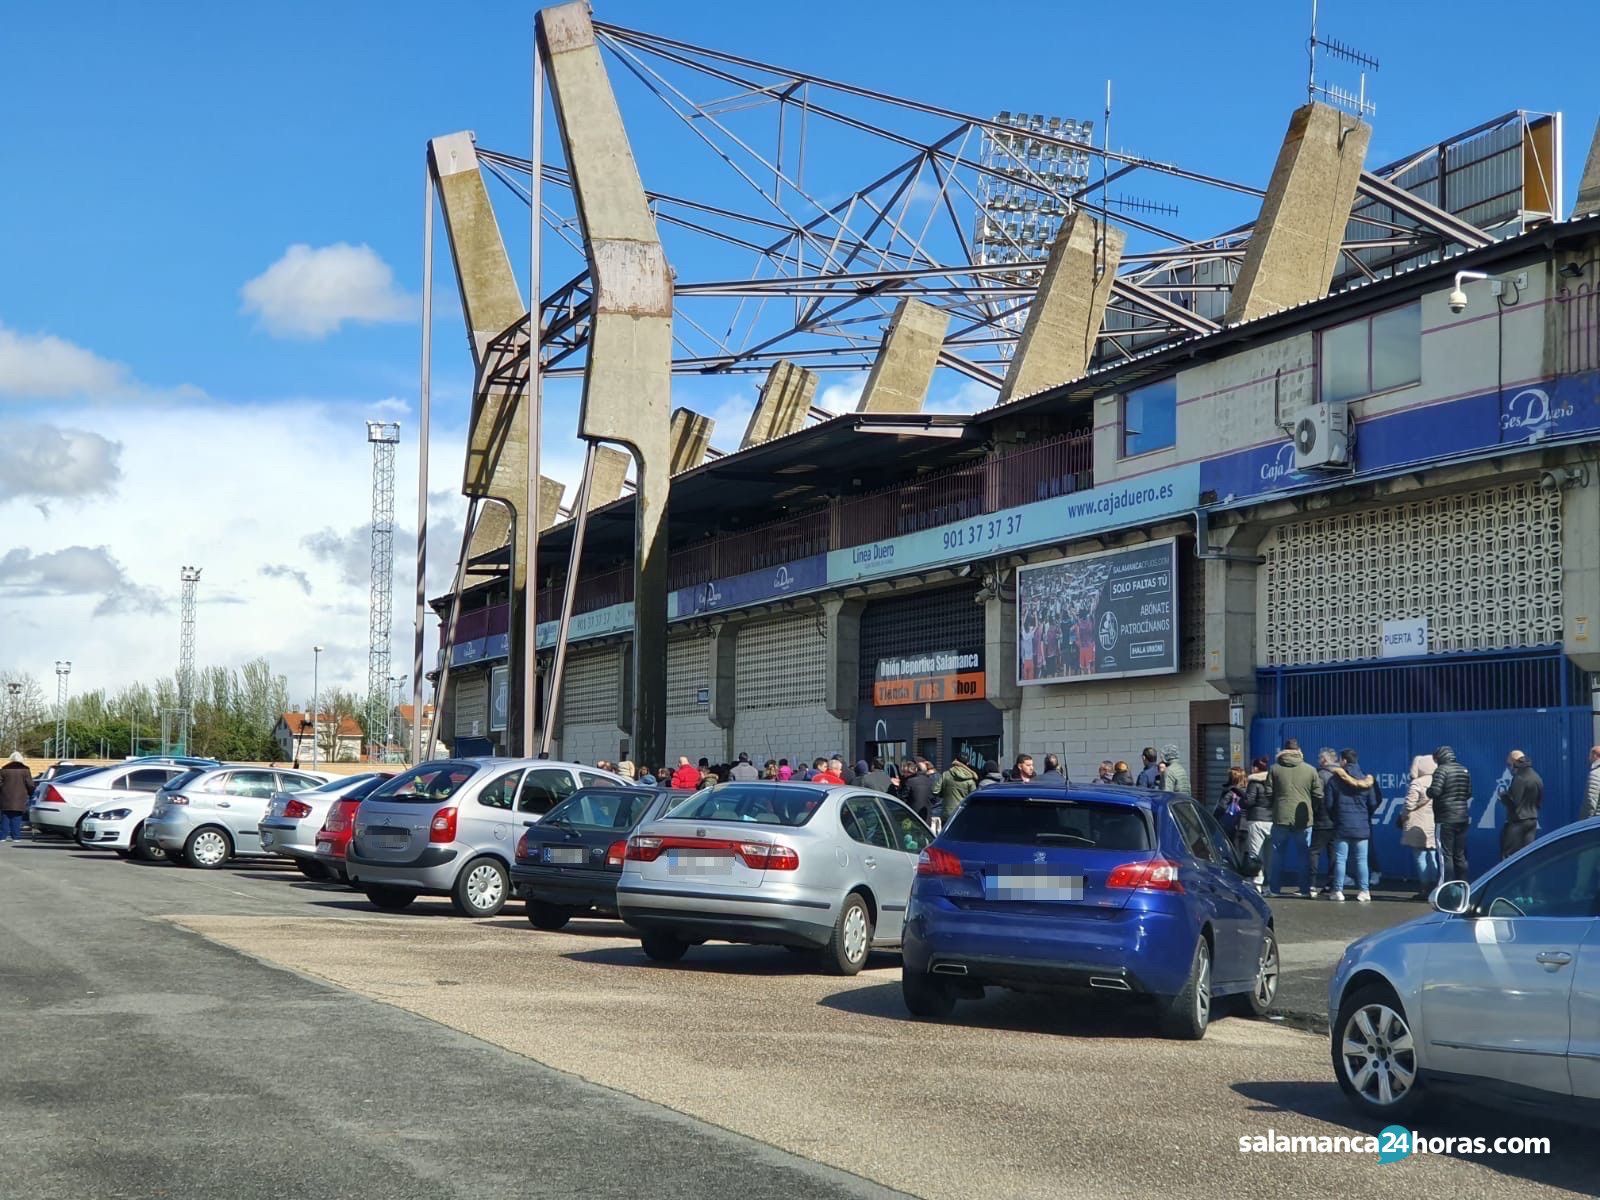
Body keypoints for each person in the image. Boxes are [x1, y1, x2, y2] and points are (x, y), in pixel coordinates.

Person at [1266, 739, 1322, 897]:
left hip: (1280, 817)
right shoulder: (1310, 770)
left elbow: (1268, 793)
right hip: (1303, 819)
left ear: (1284, 750)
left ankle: (1274, 889)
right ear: (1299, 750)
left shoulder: (1274, 769)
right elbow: (1318, 794)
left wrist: (1276, 806)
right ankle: (1304, 889)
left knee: (1277, 854)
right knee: (1303, 855)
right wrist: (1311, 808)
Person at [1326, 748, 1378, 902]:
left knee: (1341, 859)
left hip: (1342, 825)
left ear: (1344, 761)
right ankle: (1364, 891)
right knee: (1362, 859)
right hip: (1362, 826)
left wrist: (1335, 818)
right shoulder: (1366, 780)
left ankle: (1338, 891)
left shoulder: (1334, 780)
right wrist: (1364, 816)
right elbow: (1373, 803)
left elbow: (1328, 804)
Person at [1427, 745, 1473, 883]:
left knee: (1445, 855)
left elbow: (1435, 792)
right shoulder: (1464, 769)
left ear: (1440, 757)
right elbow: (1469, 793)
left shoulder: (1441, 770)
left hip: (1445, 818)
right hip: (1462, 817)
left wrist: (1427, 791)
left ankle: (1444, 888)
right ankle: (1463, 885)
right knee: (1460, 855)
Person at [1401, 754, 1438, 900]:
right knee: (1433, 855)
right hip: (1433, 822)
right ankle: (1436, 887)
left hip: (1417, 823)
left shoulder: (1417, 783)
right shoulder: (1439, 781)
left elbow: (1409, 804)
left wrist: (1403, 816)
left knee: (1420, 856)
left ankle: (1424, 888)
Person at [1500, 750, 1543, 860]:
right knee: (1528, 856)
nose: (1509, 768)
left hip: (1518, 821)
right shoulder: (1536, 776)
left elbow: (1514, 800)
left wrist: (1503, 796)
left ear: (1514, 762)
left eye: (1509, 764)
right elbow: (1539, 798)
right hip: (1532, 819)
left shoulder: (1519, 777)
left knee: (1509, 857)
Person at [1242, 756, 1273, 889]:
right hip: (1271, 820)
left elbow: (1249, 801)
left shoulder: (1254, 782)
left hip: (1256, 820)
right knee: (1269, 855)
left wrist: (1240, 802)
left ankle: (1257, 882)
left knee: (1255, 853)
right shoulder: (1273, 781)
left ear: (1255, 768)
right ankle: (1270, 882)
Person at [1, 751, 33, 843]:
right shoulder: (25, 770)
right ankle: (16, 837)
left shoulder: (4, 769)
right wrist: (31, 793)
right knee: (17, 817)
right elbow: (30, 784)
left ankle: (2, 836)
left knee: (5, 817)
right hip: (20, 797)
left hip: (5, 797)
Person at [936, 752, 978, 822]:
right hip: (962, 813)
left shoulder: (946, 774)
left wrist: (945, 794)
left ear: (955, 760)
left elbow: (935, 791)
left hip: (947, 814)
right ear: (967, 763)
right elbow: (974, 798)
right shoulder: (971, 779)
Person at [1215, 767, 1248, 855]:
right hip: (1247, 825)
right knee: (1244, 852)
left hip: (1231, 825)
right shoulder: (1249, 791)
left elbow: (1221, 807)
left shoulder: (1230, 791)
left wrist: (1213, 820)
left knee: (1231, 851)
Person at [902, 759, 934, 826]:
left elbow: (903, 799)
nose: (905, 774)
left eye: (907, 772)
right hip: (926, 816)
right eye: (904, 772)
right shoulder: (929, 780)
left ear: (914, 770)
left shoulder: (910, 781)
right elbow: (934, 798)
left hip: (912, 816)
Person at [1585, 745, 1600, 820]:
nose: (1589, 758)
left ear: (1594, 755)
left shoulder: (1595, 774)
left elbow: (1591, 801)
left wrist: (1584, 822)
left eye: (1589, 755)